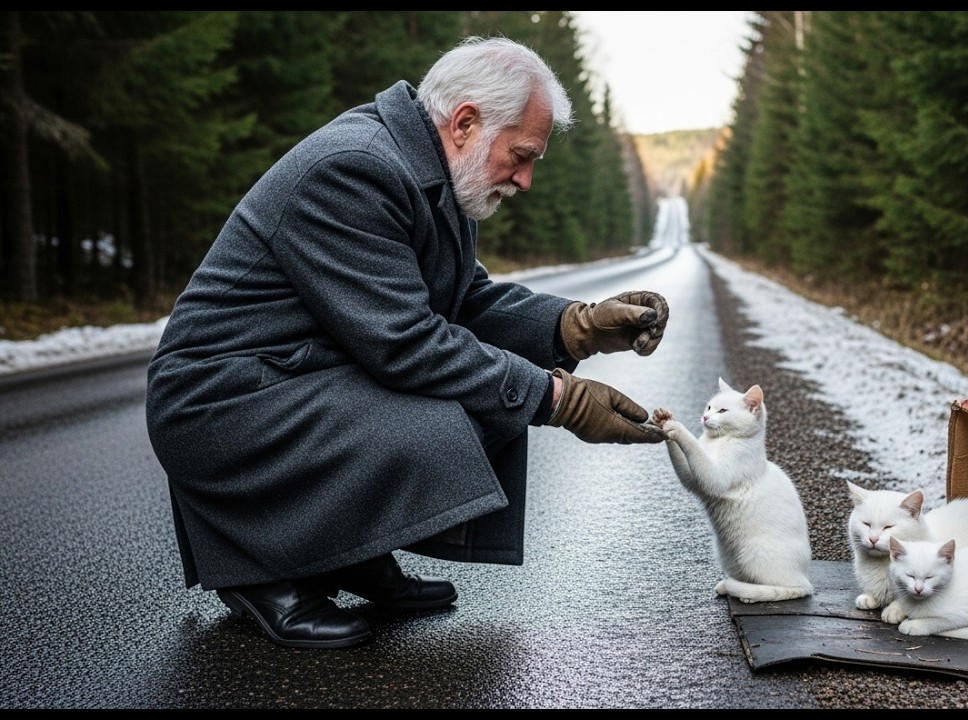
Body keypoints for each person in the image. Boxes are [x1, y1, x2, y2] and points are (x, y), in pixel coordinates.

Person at [145, 36, 670, 650]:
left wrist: (577, 326)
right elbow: (406, 341)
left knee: (489, 395)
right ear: (466, 123)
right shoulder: (353, 168)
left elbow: (467, 301)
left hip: (297, 379)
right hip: (224, 405)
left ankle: (345, 553)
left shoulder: (429, 172)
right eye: (522, 156)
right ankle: (266, 572)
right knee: (468, 404)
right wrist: (559, 400)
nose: (526, 180)